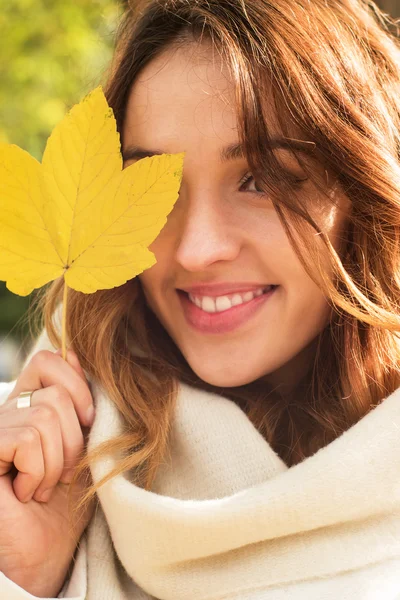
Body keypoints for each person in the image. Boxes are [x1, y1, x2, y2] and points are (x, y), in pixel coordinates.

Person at [1, 0, 400, 598]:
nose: (195, 248)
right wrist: (30, 578)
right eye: (155, 191)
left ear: (361, 192)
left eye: (261, 180)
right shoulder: (35, 463)